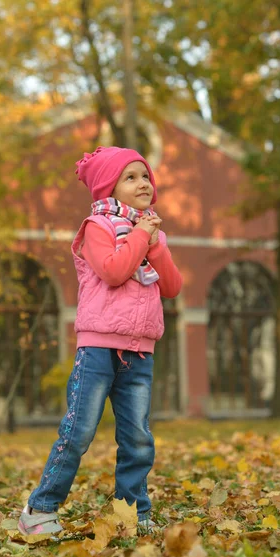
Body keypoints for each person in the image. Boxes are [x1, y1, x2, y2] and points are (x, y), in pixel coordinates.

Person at [18, 145, 182, 537]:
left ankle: (134, 514)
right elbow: (113, 271)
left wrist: (154, 244)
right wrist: (142, 236)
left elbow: (173, 287)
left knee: (137, 438)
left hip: (139, 350)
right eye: (131, 177)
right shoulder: (98, 228)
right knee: (79, 431)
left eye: (145, 175)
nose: (143, 182)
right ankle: (39, 510)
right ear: (108, 188)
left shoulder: (150, 233)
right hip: (99, 348)